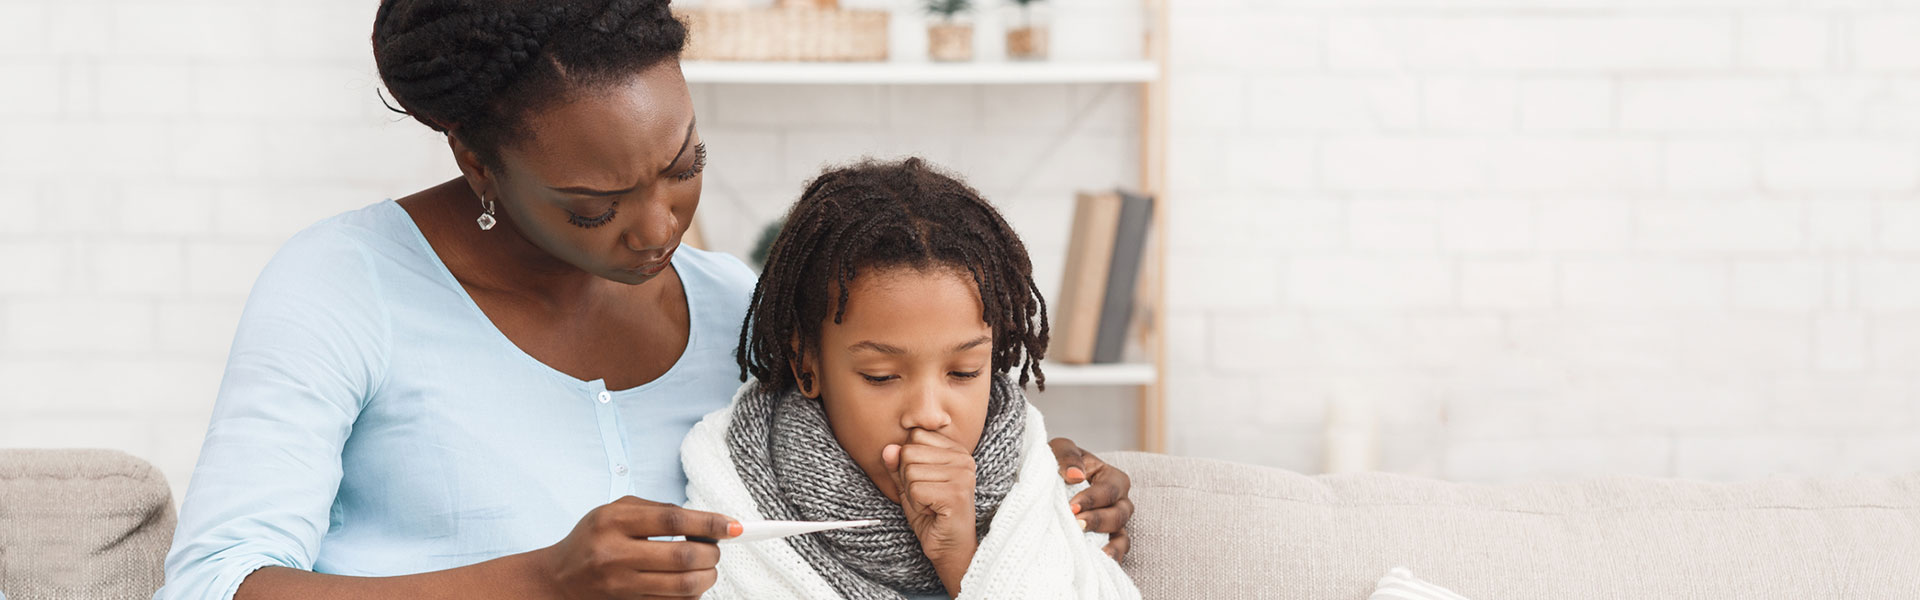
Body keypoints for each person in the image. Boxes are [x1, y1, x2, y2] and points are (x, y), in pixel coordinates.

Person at [155, 1, 1135, 599]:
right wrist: (540, 583)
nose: (659, 228)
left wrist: (1031, 489)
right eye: (593, 207)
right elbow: (212, 588)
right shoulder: (343, 286)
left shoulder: (744, 311)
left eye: (683, 167)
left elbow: (875, 499)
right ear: (476, 160)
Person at [683, 158, 1140, 599]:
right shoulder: (733, 489)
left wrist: (958, 555)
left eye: (963, 372)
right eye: (881, 376)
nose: (927, 414)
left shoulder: (1042, 491)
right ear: (808, 366)